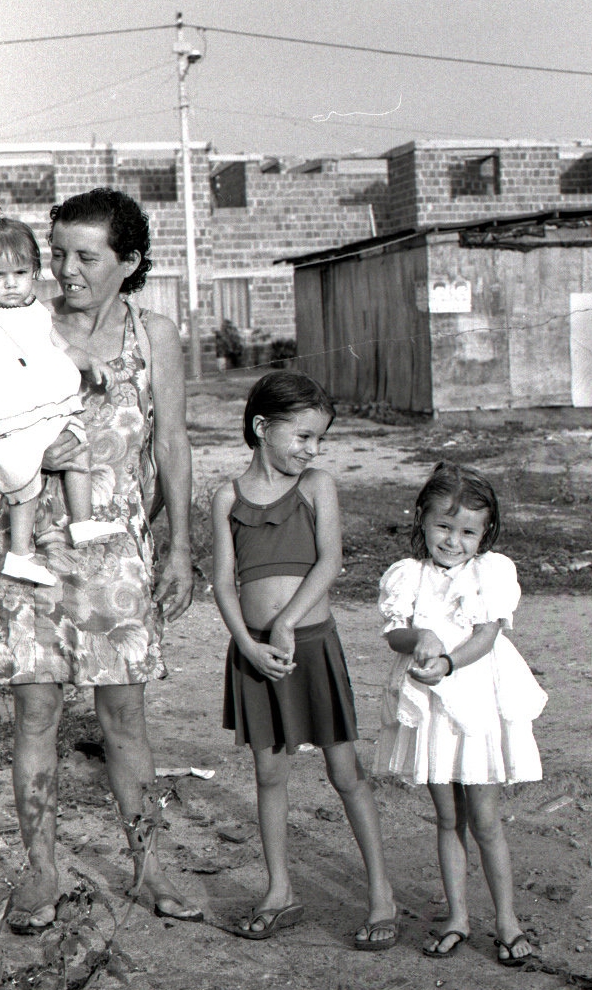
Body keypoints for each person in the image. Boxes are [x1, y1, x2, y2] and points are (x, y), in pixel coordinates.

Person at [0, 188, 200, 934]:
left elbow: (171, 443)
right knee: (37, 714)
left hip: (117, 552)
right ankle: (42, 871)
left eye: (86, 256)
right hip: (35, 547)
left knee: (125, 718)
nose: (67, 270)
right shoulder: (21, 325)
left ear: (129, 261)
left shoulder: (156, 335)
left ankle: (148, 865)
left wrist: (180, 546)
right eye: (59, 255)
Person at [210, 371, 398, 949]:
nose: (312, 450)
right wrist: (247, 644)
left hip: (311, 648)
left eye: (320, 439)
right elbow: (222, 582)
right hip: (256, 655)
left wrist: (289, 621)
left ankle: (382, 895)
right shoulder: (226, 496)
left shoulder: (318, 486)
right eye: (303, 437)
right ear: (262, 428)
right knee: (269, 773)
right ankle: (279, 889)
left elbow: (330, 562)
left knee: (346, 772)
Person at [374, 462, 548, 967]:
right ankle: (456, 916)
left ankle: (508, 921)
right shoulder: (408, 575)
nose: (453, 541)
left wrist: (447, 661)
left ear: (484, 533)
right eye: (443, 527)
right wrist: (420, 640)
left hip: (477, 699)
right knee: (448, 818)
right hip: (431, 706)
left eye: (467, 531)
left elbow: (487, 636)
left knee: (487, 821)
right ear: (422, 520)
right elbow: (394, 634)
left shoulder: (492, 572)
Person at [0, 215, 125, 586]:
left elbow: (59, 347)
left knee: (78, 447)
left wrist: (90, 360)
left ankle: (82, 522)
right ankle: (20, 554)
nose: (11, 284)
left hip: (44, 407)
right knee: (23, 483)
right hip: (8, 414)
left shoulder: (35, 310)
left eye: (21, 272)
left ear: (34, 271)